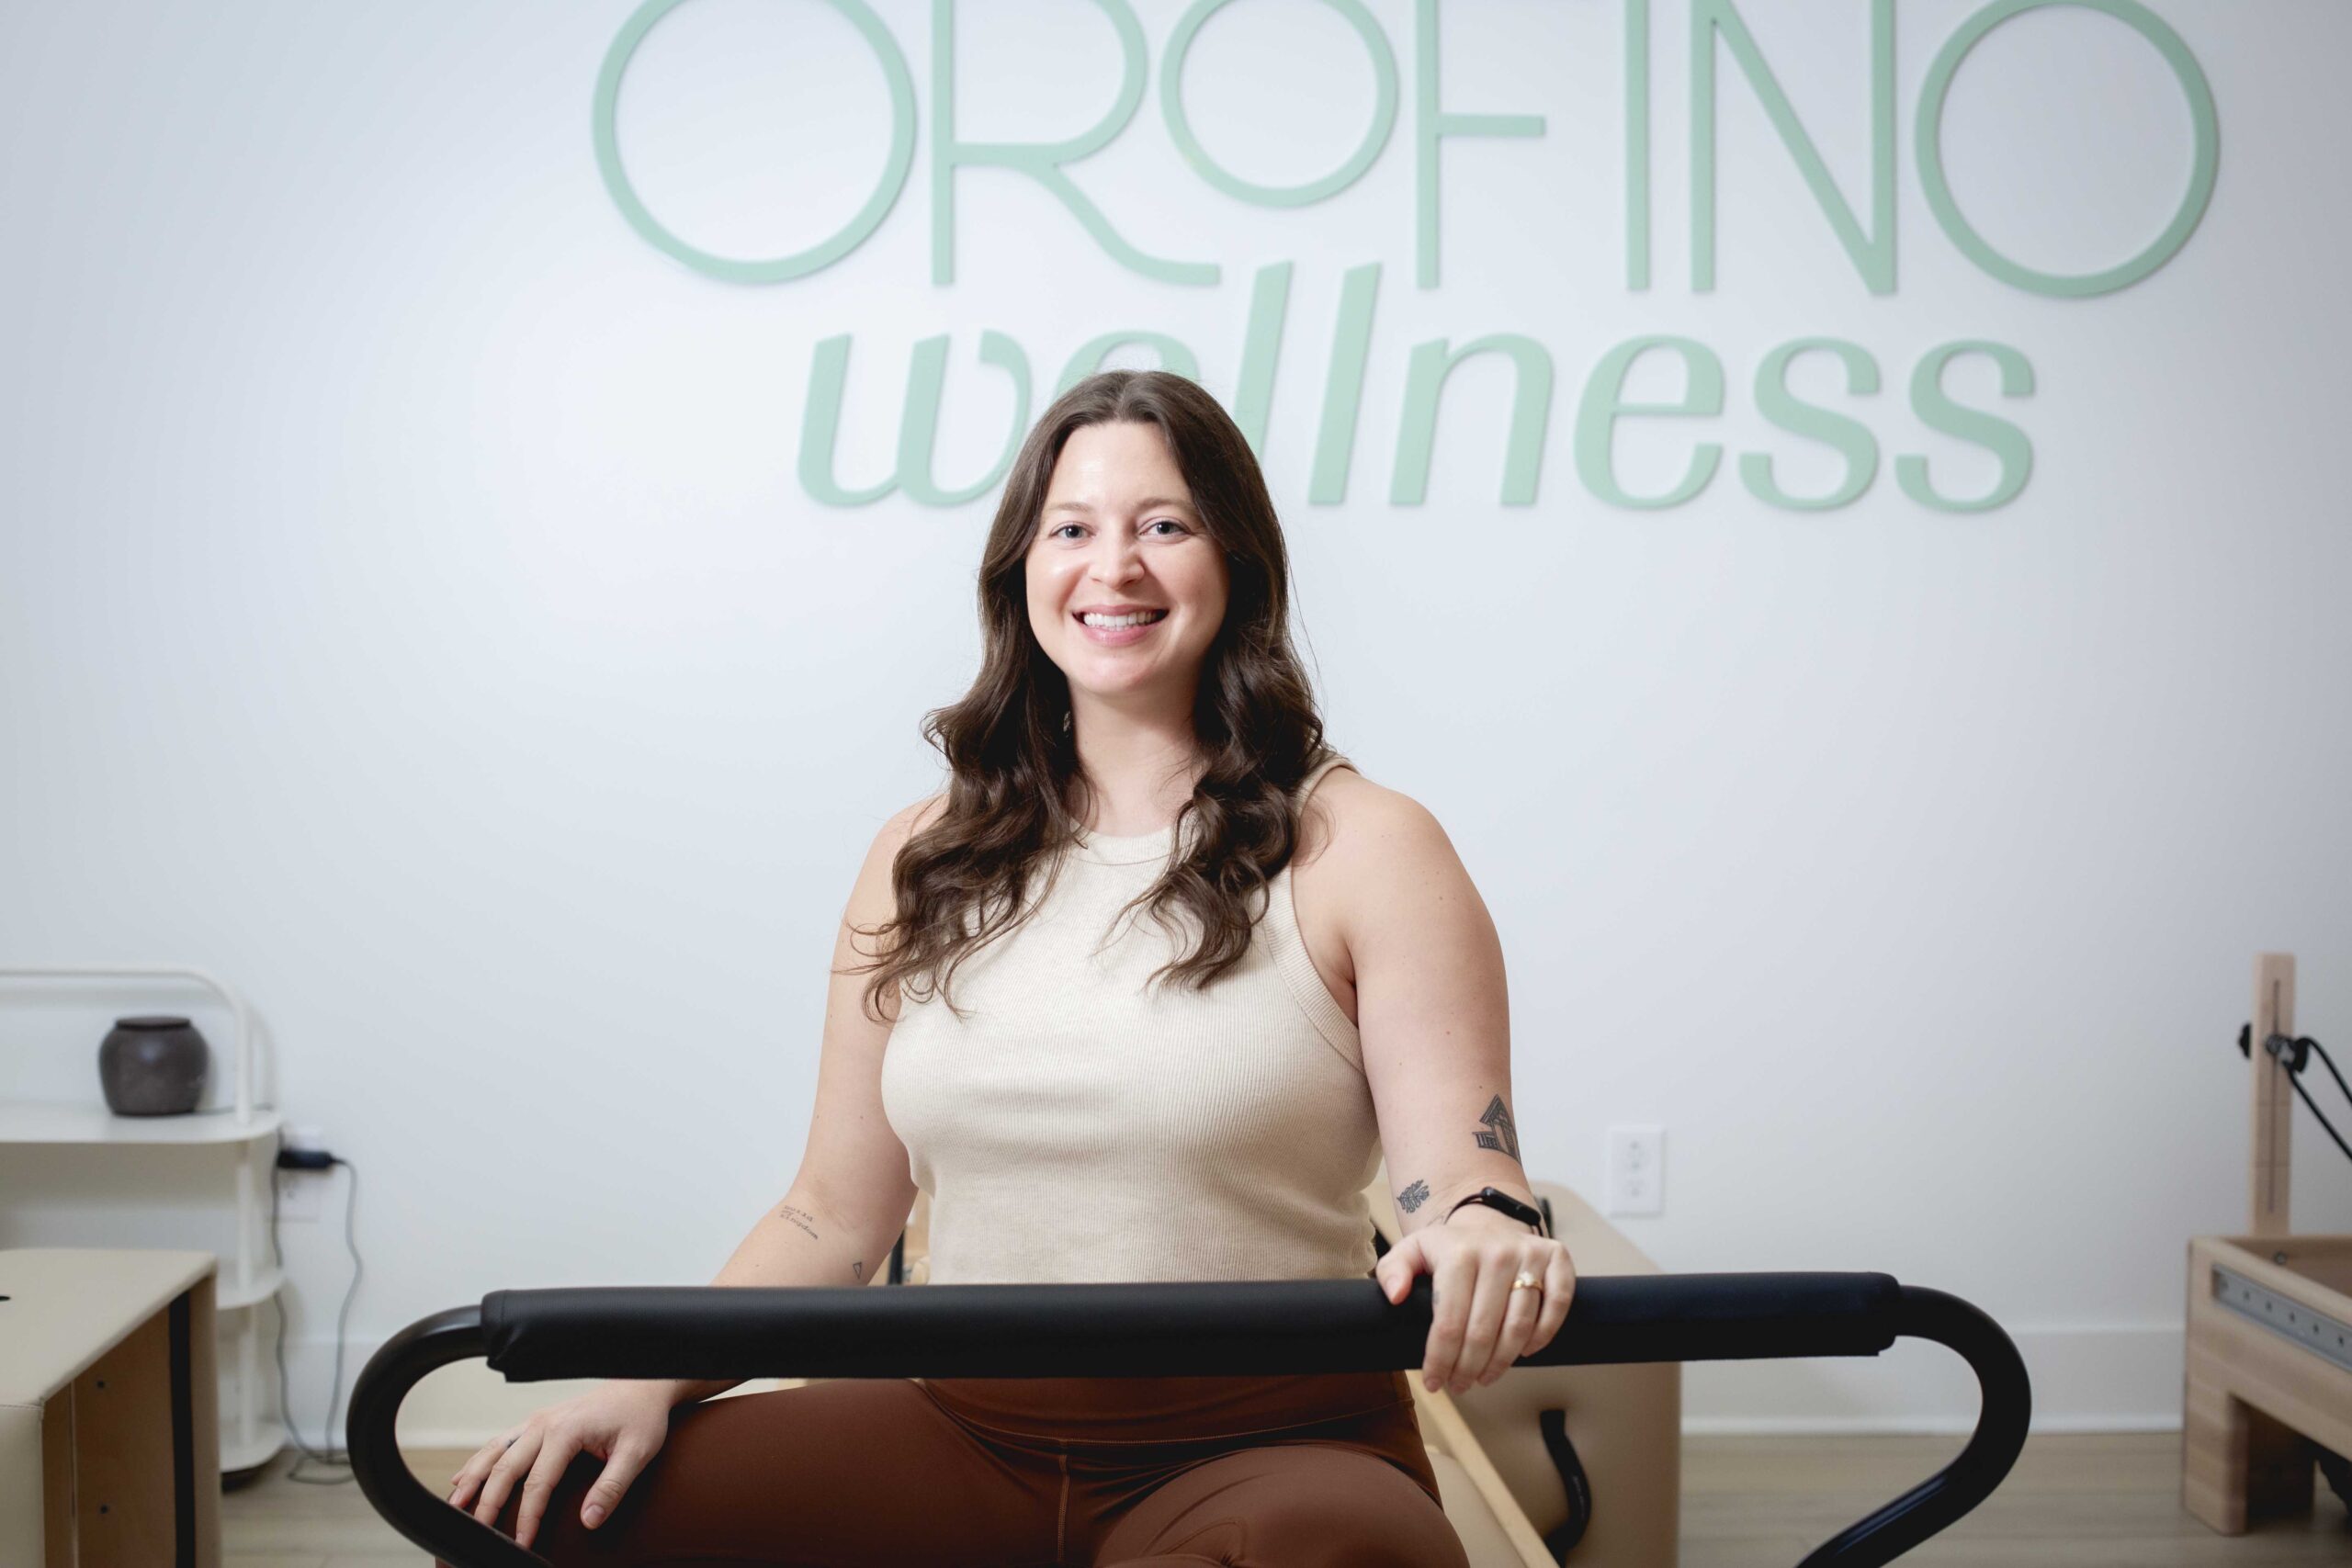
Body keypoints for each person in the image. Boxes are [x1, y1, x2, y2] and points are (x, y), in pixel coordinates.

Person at [441, 369, 1577, 1566]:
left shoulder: (1362, 842)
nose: (1115, 567)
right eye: (1072, 529)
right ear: (1020, 572)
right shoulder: (923, 856)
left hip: (1274, 1443)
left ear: (1236, 560)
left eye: (1165, 526)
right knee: (536, 1523)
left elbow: (1461, 1169)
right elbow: (832, 1211)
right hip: (966, 1428)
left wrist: (1486, 1223)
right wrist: (645, 1384)